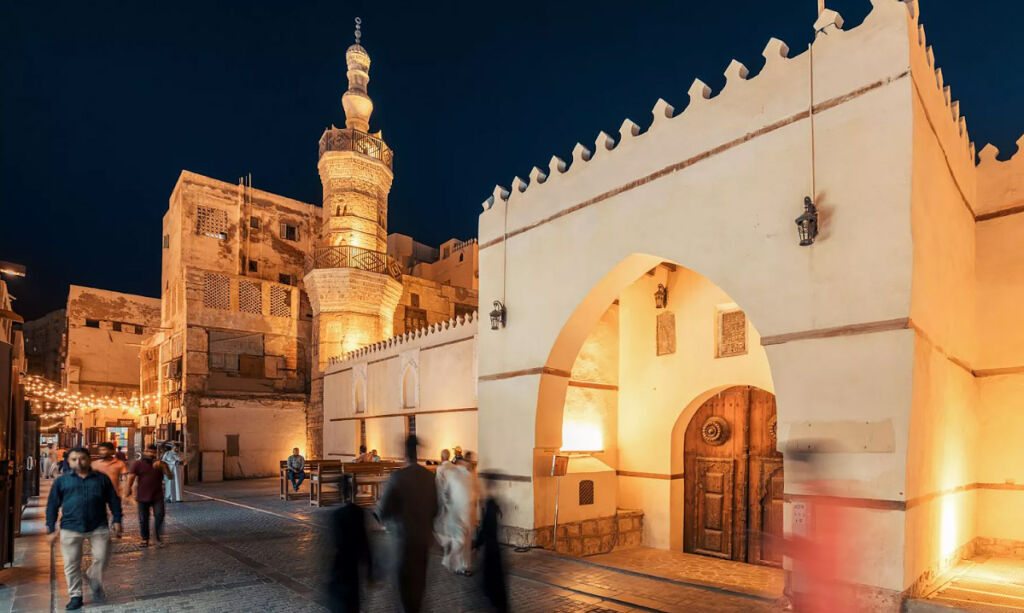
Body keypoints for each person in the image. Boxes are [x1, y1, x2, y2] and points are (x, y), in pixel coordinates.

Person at [46, 447, 123, 610]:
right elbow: (52, 504)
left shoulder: (102, 479)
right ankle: (75, 595)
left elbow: (113, 500)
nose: (78, 462)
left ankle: (92, 575)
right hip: (70, 527)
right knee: (71, 564)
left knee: (102, 557)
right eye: (74, 459)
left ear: (89, 460)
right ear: (69, 461)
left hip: (98, 525)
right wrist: (50, 528)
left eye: (82, 458)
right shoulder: (62, 481)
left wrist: (117, 519)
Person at [377, 435, 438, 613]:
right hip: (423, 540)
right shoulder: (429, 476)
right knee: (419, 586)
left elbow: (383, 511)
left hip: (403, 542)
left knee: (405, 589)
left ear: (404, 454)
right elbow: (437, 509)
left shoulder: (397, 477)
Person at [327, 475, 373, 612]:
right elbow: (365, 543)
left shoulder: (337, 515)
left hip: (340, 567)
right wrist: (370, 570)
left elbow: (336, 544)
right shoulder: (359, 512)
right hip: (354, 568)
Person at [474, 477, 508, 613]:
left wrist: (476, 544)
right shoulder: (493, 503)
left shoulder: (490, 505)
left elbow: (486, 528)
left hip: (491, 549)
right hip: (493, 548)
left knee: (491, 582)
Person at [127, 445, 171, 547]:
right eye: (148, 451)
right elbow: (131, 478)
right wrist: (128, 490)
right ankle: (145, 538)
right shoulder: (137, 464)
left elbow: (170, 477)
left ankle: (156, 537)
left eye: (153, 452)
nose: (151, 454)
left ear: (156, 453)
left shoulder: (161, 464)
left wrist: (164, 467)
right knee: (143, 518)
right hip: (142, 495)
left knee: (159, 515)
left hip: (157, 495)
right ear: (144, 452)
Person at [442, 454, 478, 575]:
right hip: (457, 513)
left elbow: (474, 493)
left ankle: (464, 566)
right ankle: (452, 560)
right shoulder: (454, 475)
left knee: (466, 541)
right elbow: (446, 492)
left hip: (465, 512)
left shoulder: (470, 476)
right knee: (461, 540)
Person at [434, 449, 454, 563]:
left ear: (441, 457)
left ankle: (446, 543)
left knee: (439, 522)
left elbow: (439, 486)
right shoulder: (455, 468)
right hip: (453, 500)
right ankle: (450, 542)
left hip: (443, 499)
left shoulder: (440, 469)